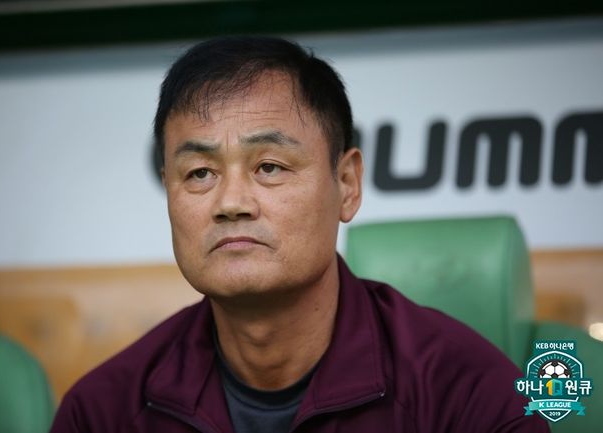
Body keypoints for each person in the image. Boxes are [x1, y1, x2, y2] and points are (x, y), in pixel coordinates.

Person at [50, 36, 549, 433]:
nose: (231, 203)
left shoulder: (468, 394)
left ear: (347, 184)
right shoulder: (103, 411)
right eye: (200, 173)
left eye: (269, 166)